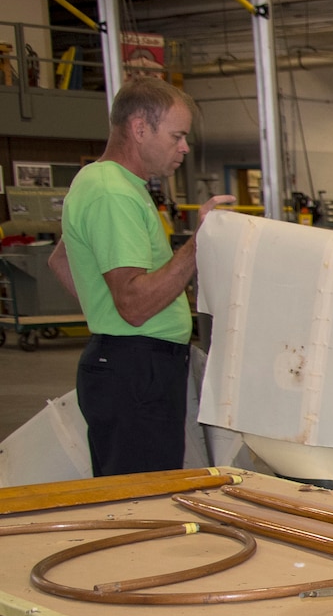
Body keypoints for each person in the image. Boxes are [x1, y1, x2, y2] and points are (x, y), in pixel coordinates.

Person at [49, 78, 234, 476]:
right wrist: (200, 243)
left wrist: (106, 319)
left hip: (128, 363)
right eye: (177, 135)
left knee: (135, 488)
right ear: (139, 128)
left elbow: (61, 260)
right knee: (144, 499)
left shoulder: (100, 182)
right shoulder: (113, 193)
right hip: (136, 371)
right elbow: (134, 305)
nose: (184, 147)